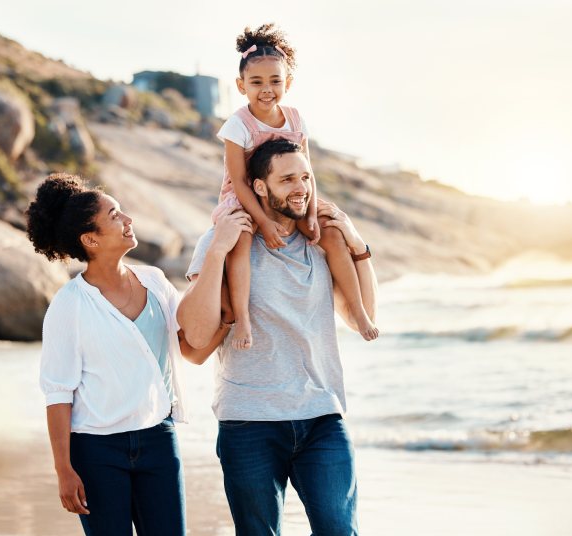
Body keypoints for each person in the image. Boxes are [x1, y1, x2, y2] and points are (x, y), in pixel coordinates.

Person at [178, 139, 378, 535]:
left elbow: (364, 319)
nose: (301, 187)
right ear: (260, 187)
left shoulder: (322, 244)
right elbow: (195, 341)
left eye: (305, 176)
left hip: (322, 415)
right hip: (249, 420)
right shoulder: (228, 240)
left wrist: (357, 245)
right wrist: (217, 250)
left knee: (340, 530)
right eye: (287, 179)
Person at [25, 173, 226, 536]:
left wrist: (225, 324)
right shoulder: (69, 305)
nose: (128, 220)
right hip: (96, 452)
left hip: (158, 440)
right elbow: (58, 393)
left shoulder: (155, 281)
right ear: (91, 240)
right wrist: (64, 470)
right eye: (115, 216)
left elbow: (189, 351)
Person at [213, 23, 378, 350]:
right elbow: (238, 180)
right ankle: (244, 318)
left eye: (275, 81)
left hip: (290, 195)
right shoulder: (238, 125)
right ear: (240, 85)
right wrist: (264, 222)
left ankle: (358, 311)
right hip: (246, 197)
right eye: (256, 82)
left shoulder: (295, 118)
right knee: (242, 241)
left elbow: (308, 171)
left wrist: (313, 214)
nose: (266, 89)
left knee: (331, 233)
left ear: (287, 82)